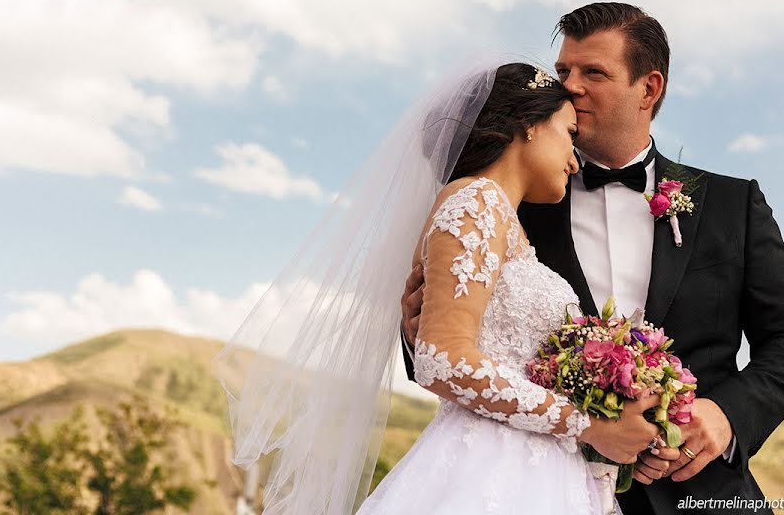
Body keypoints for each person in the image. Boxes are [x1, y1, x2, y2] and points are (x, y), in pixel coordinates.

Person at [400, 3, 784, 515]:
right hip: (542, 487)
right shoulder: (510, 206)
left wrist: (725, 415)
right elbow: (453, 348)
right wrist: (413, 335)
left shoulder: (731, 205)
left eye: (593, 73)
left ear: (649, 88)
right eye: (563, 71)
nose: (570, 86)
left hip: (701, 494)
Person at [216, 61, 639, 514]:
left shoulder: (499, 216)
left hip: (533, 467)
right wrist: (585, 424)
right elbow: (442, 359)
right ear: (529, 126)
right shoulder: (477, 201)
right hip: (489, 469)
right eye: (569, 134)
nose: (575, 160)